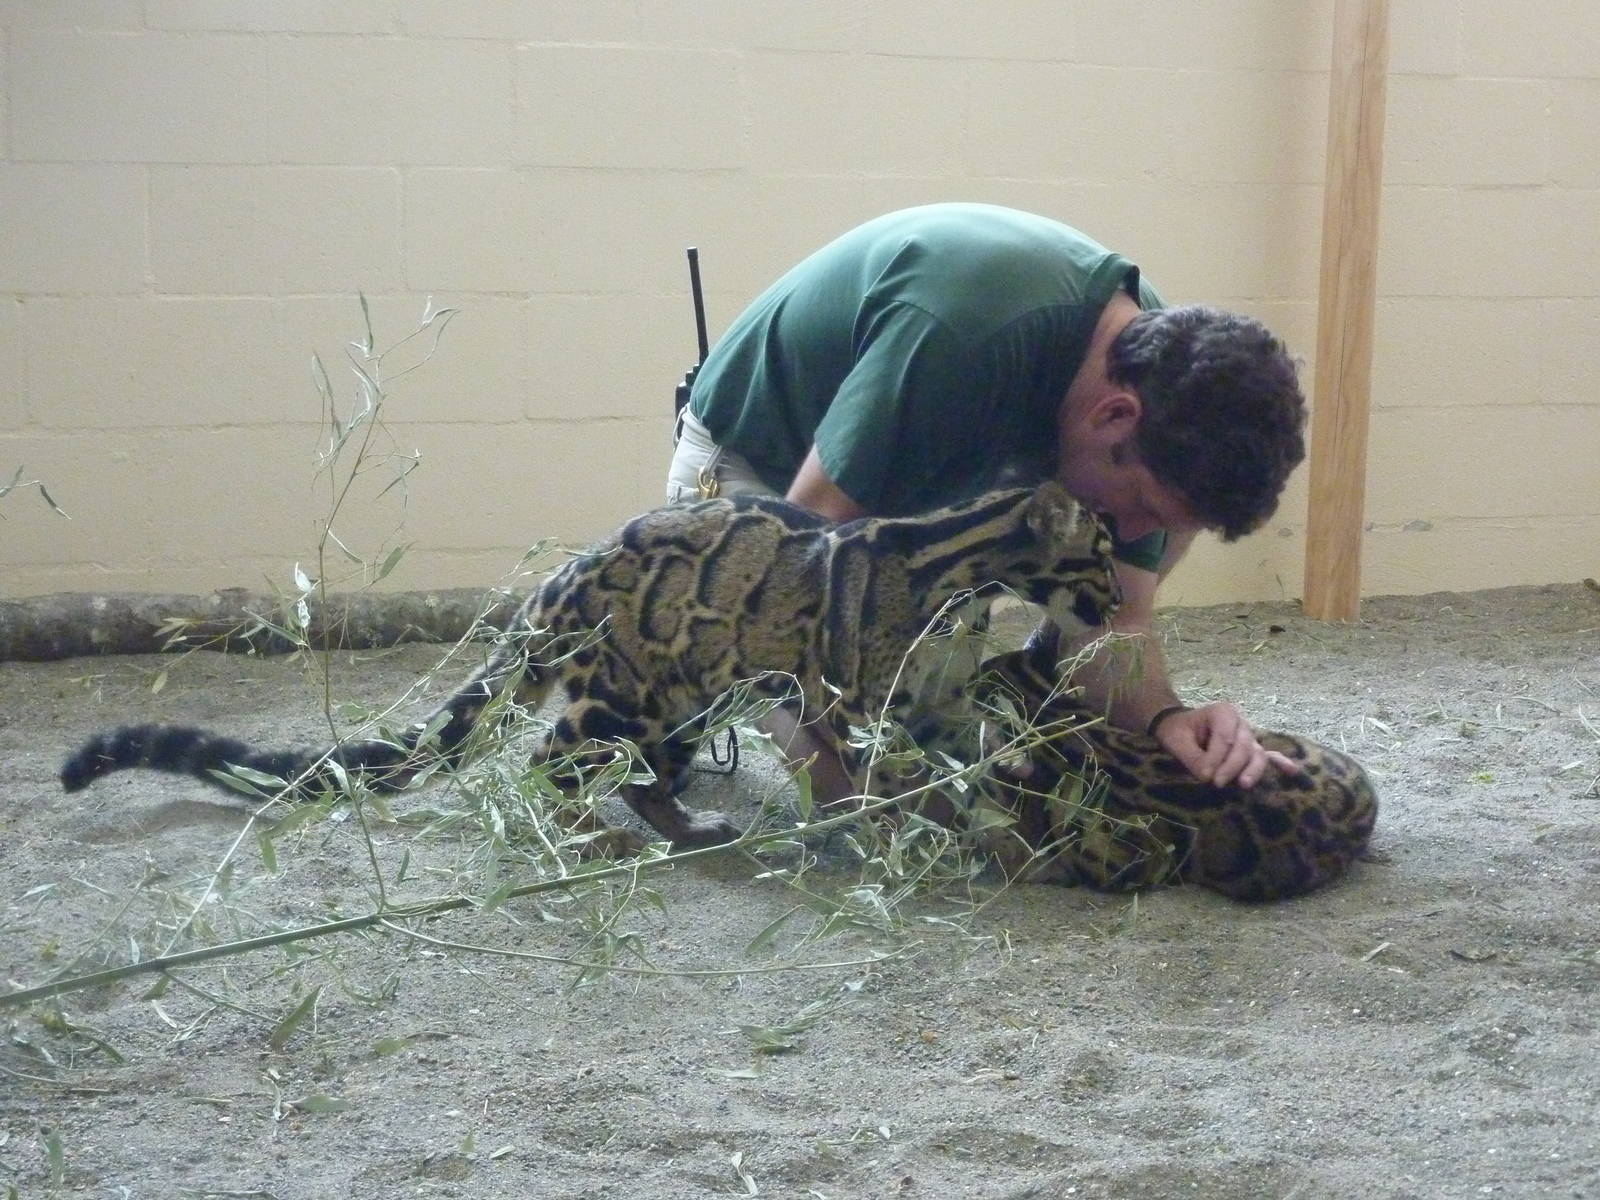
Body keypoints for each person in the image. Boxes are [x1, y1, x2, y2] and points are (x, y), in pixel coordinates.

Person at [667, 202, 1306, 798]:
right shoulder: (963, 335)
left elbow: (1115, 626)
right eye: (1142, 508)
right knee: (880, 798)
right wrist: (854, 745)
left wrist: (1166, 715)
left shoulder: (1158, 390)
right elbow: (799, 566)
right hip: (766, 468)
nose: (1134, 531)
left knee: (954, 768)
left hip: (933, 479)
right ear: (1114, 417)